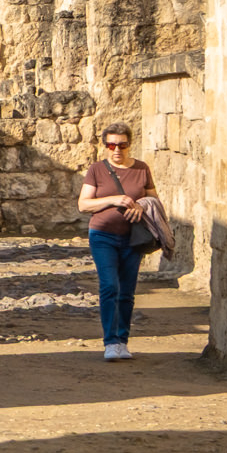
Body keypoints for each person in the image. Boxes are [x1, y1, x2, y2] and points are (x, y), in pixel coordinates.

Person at [78, 121, 156, 361]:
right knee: (109, 286)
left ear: (129, 145)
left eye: (122, 145)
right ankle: (110, 341)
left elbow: (154, 201)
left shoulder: (142, 169)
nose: (117, 150)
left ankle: (123, 340)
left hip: (133, 238)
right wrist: (114, 200)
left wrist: (140, 207)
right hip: (103, 235)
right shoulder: (96, 170)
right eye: (111, 145)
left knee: (127, 292)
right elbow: (84, 204)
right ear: (105, 146)